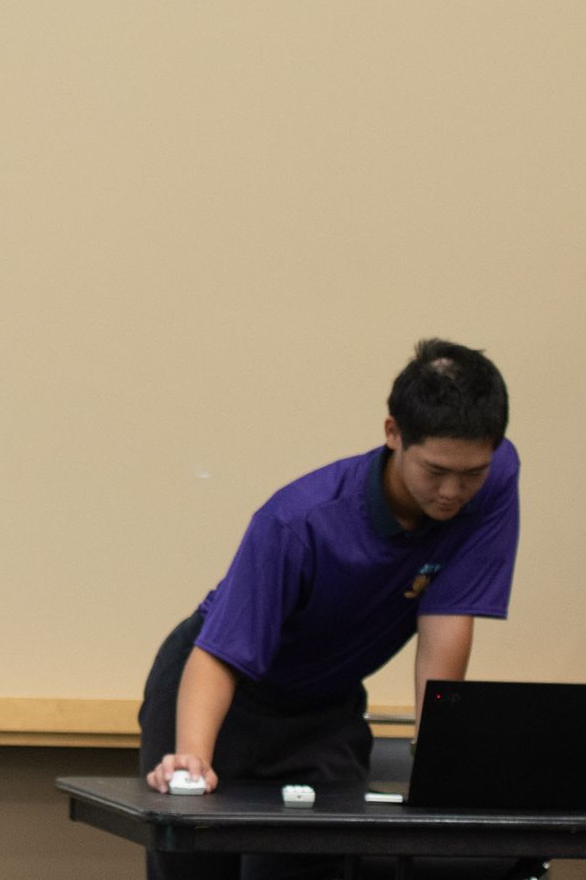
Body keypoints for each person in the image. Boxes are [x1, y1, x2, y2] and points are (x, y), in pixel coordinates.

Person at [139, 338, 519, 880]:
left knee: (314, 862)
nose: (454, 492)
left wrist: (439, 753)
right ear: (393, 434)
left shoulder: (496, 481)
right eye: (435, 471)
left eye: (471, 473)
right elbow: (221, 651)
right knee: (196, 857)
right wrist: (191, 761)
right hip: (225, 688)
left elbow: (448, 617)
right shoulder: (299, 520)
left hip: (324, 704)